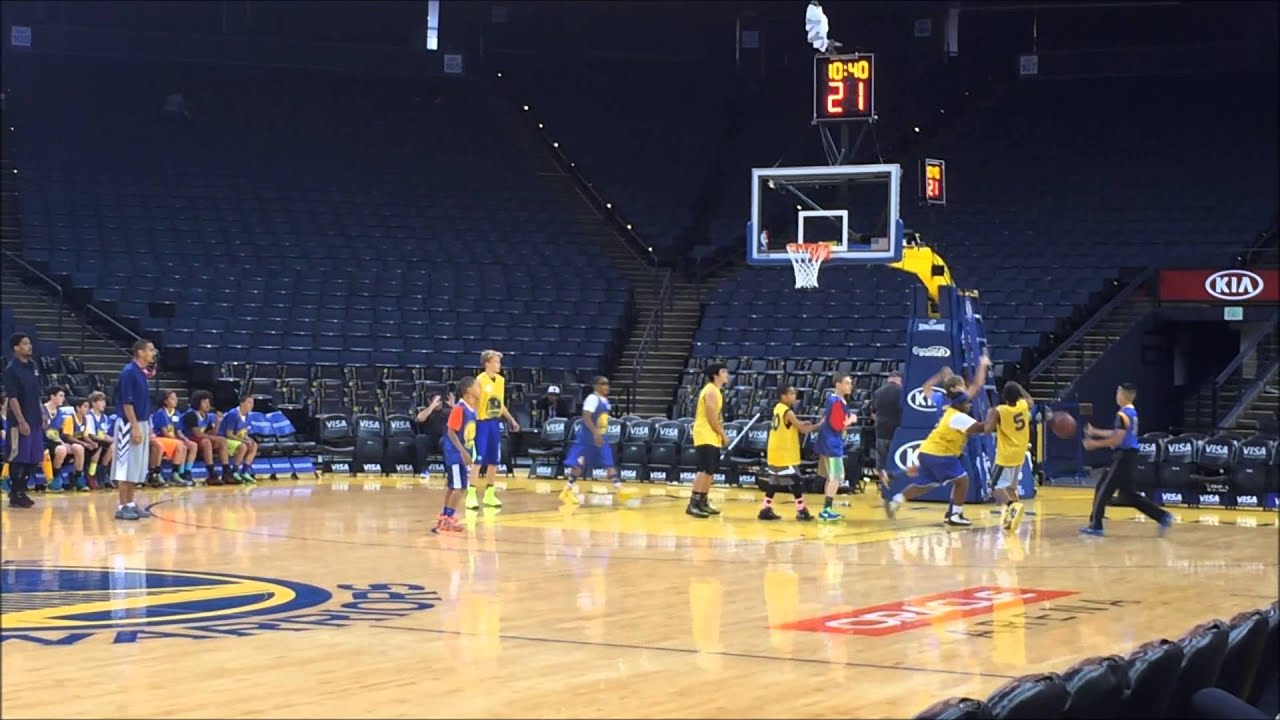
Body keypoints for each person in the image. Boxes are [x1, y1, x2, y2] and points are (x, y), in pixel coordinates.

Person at [886, 355, 991, 526]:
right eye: (963, 386)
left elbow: (926, 387)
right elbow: (977, 386)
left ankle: (896, 499)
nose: (966, 391)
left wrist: (941, 376)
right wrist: (982, 364)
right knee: (962, 480)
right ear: (957, 389)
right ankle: (955, 514)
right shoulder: (959, 406)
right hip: (944, 449)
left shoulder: (941, 399)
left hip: (934, 446)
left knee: (926, 483)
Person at [1080, 382, 1174, 537]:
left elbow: (1117, 439)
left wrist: (1094, 444)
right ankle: (1162, 516)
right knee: (1129, 494)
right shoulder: (1130, 412)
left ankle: (1096, 525)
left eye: (1118, 392)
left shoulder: (1123, 414)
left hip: (1123, 456)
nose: (1116, 395)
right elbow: (1119, 433)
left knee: (1104, 489)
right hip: (1129, 455)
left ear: (1123, 394)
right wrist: (1095, 431)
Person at [469, 350, 520, 510]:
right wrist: (471, 423)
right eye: (496, 362)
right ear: (487, 363)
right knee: (478, 460)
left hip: (494, 423)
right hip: (481, 423)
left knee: (494, 460)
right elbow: (473, 402)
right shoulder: (479, 380)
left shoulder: (500, 381)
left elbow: (500, 403)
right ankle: (471, 495)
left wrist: (511, 419)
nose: (499, 365)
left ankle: (489, 494)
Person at [760, 384, 819, 521]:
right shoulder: (788, 412)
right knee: (796, 481)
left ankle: (765, 508)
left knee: (774, 482)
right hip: (784, 453)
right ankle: (801, 510)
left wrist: (802, 423)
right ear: (783, 396)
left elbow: (792, 425)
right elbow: (803, 430)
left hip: (774, 450)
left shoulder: (778, 408)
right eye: (791, 393)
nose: (794, 396)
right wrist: (821, 425)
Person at [114, 339, 157, 520]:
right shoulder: (129, 372)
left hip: (141, 422)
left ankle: (130, 503)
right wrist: (134, 426)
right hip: (128, 424)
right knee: (125, 467)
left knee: (135, 468)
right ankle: (122, 506)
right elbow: (127, 402)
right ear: (140, 352)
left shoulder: (141, 372)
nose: (153, 352)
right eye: (150, 349)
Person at [561, 376, 618, 504]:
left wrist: (600, 434)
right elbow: (586, 417)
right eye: (603, 384)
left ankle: (619, 488)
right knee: (579, 463)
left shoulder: (605, 401)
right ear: (595, 386)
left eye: (607, 384)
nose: (606, 386)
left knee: (609, 461)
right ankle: (567, 489)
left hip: (602, 436)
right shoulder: (592, 399)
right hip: (588, 437)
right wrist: (595, 433)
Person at [985, 381, 1033, 531]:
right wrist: (1019, 387)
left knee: (994, 486)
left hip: (1006, 455)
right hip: (1020, 453)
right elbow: (1030, 400)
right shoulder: (1023, 406)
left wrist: (989, 414)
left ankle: (1013, 507)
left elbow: (988, 429)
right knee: (1011, 488)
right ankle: (1013, 518)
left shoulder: (1000, 410)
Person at [4, 333, 44, 508]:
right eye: (25, 344)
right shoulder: (11, 369)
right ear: (16, 348)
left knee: (34, 457)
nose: (30, 346)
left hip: (35, 418)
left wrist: (42, 414)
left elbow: (37, 394)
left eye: (29, 343)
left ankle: (22, 490)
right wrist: (21, 421)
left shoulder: (33, 366)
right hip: (20, 421)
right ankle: (15, 493)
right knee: (18, 457)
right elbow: (12, 398)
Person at [436, 377, 479, 534]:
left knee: (453, 487)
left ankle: (444, 517)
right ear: (468, 390)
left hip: (461, 452)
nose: (479, 389)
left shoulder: (471, 408)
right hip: (455, 454)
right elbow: (451, 432)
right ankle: (449, 519)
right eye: (477, 387)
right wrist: (463, 452)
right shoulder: (460, 408)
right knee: (459, 487)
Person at [814, 373, 859, 522]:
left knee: (830, 477)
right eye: (846, 383)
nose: (850, 385)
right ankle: (826, 510)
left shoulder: (836, 401)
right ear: (838, 384)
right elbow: (837, 425)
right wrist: (851, 419)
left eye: (850, 383)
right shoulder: (836, 402)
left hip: (827, 443)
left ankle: (826, 509)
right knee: (836, 477)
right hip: (832, 446)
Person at [687, 363, 730, 519]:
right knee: (704, 469)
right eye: (724, 371)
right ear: (715, 374)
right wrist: (723, 434)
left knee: (710, 470)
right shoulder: (711, 390)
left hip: (711, 435)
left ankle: (703, 501)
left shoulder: (716, 391)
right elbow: (711, 416)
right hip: (705, 433)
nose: (727, 374)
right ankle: (693, 503)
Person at [182, 390, 233, 486]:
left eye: (209, 402)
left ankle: (226, 471)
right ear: (198, 402)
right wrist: (213, 438)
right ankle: (211, 473)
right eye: (205, 402)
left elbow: (211, 433)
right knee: (207, 442)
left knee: (222, 440)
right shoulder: (191, 414)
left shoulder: (207, 416)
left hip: (200, 440)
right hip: (188, 439)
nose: (208, 404)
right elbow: (197, 434)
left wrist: (218, 423)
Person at [41, 386, 81, 492]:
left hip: (55, 441)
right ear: (52, 396)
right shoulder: (42, 410)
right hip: (42, 441)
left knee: (78, 448)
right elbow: (48, 432)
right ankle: (54, 477)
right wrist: (62, 443)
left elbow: (58, 432)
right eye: (61, 396)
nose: (63, 398)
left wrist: (63, 441)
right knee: (61, 449)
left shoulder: (59, 412)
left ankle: (77, 477)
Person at [152, 390, 195, 487]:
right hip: (161, 439)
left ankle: (180, 473)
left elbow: (179, 431)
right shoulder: (161, 413)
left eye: (176, 398)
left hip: (172, 439)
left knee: (188, 444)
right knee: (181, 445)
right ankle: (171, 474)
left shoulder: (177, 414)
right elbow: (165, 433)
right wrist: (178, 440)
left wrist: (185, 439)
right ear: (165, 401)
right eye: (172, 399)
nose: (175, 400)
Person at [59, 397, 101, 491]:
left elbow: (85, 436)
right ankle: (77, 477)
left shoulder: (84, 419)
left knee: (97, 447)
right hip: (66, 443)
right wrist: (84, 444)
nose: (87, 409)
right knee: (80, 447)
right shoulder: (70, 419)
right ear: (78, 408)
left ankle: (89, 474)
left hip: (78, 442)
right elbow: (69, 437)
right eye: (85, 407)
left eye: (88, 407)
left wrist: (92, 442)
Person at [870, 370, 903, 490]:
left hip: (881, 431)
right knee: (896, 459)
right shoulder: (902, 391)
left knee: (882, 459)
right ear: (899, 379)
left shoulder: (878, 392)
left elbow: (873, 413)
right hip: (897, 431)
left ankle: (883, 485)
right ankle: (895, 485)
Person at [218, 394, 259, 484]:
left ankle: (244, 471)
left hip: (235, 439)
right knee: (243, 446)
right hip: (224, 439)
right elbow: (229, 434)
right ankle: (235, 471)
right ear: (241, 403)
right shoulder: (233, 414)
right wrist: (244, 441)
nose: (252, 405)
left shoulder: (248, 415)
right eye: (249, 403)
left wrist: (248, 439)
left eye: (252, 403)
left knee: (254, 445)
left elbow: (244, 433)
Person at [413, 392, 452, 479]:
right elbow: (420, 418)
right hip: (430, 438)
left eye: (440, 400)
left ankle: (449, 470)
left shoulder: (448, 411)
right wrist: (432, 406)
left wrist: (453, 405)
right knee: (420, 439)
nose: (439, 402)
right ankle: (424, 470)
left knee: (445, 441)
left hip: (443, 438)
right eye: (436, 400)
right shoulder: (427, 411)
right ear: (429, 401)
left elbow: (463, 415)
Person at [86, 391, 116, 489]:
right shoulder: (89, 416)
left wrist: (113, 439)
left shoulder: (105, 417)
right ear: (94, 403)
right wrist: (107, 440)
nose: (104, 404)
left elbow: (104, 434)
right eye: (101, 401)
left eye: (104, 401)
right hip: (89, 441)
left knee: (114, 446)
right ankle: (91, 474)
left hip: (101, 441)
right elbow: (91, 435)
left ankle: (103, 471)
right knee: (98, 445)